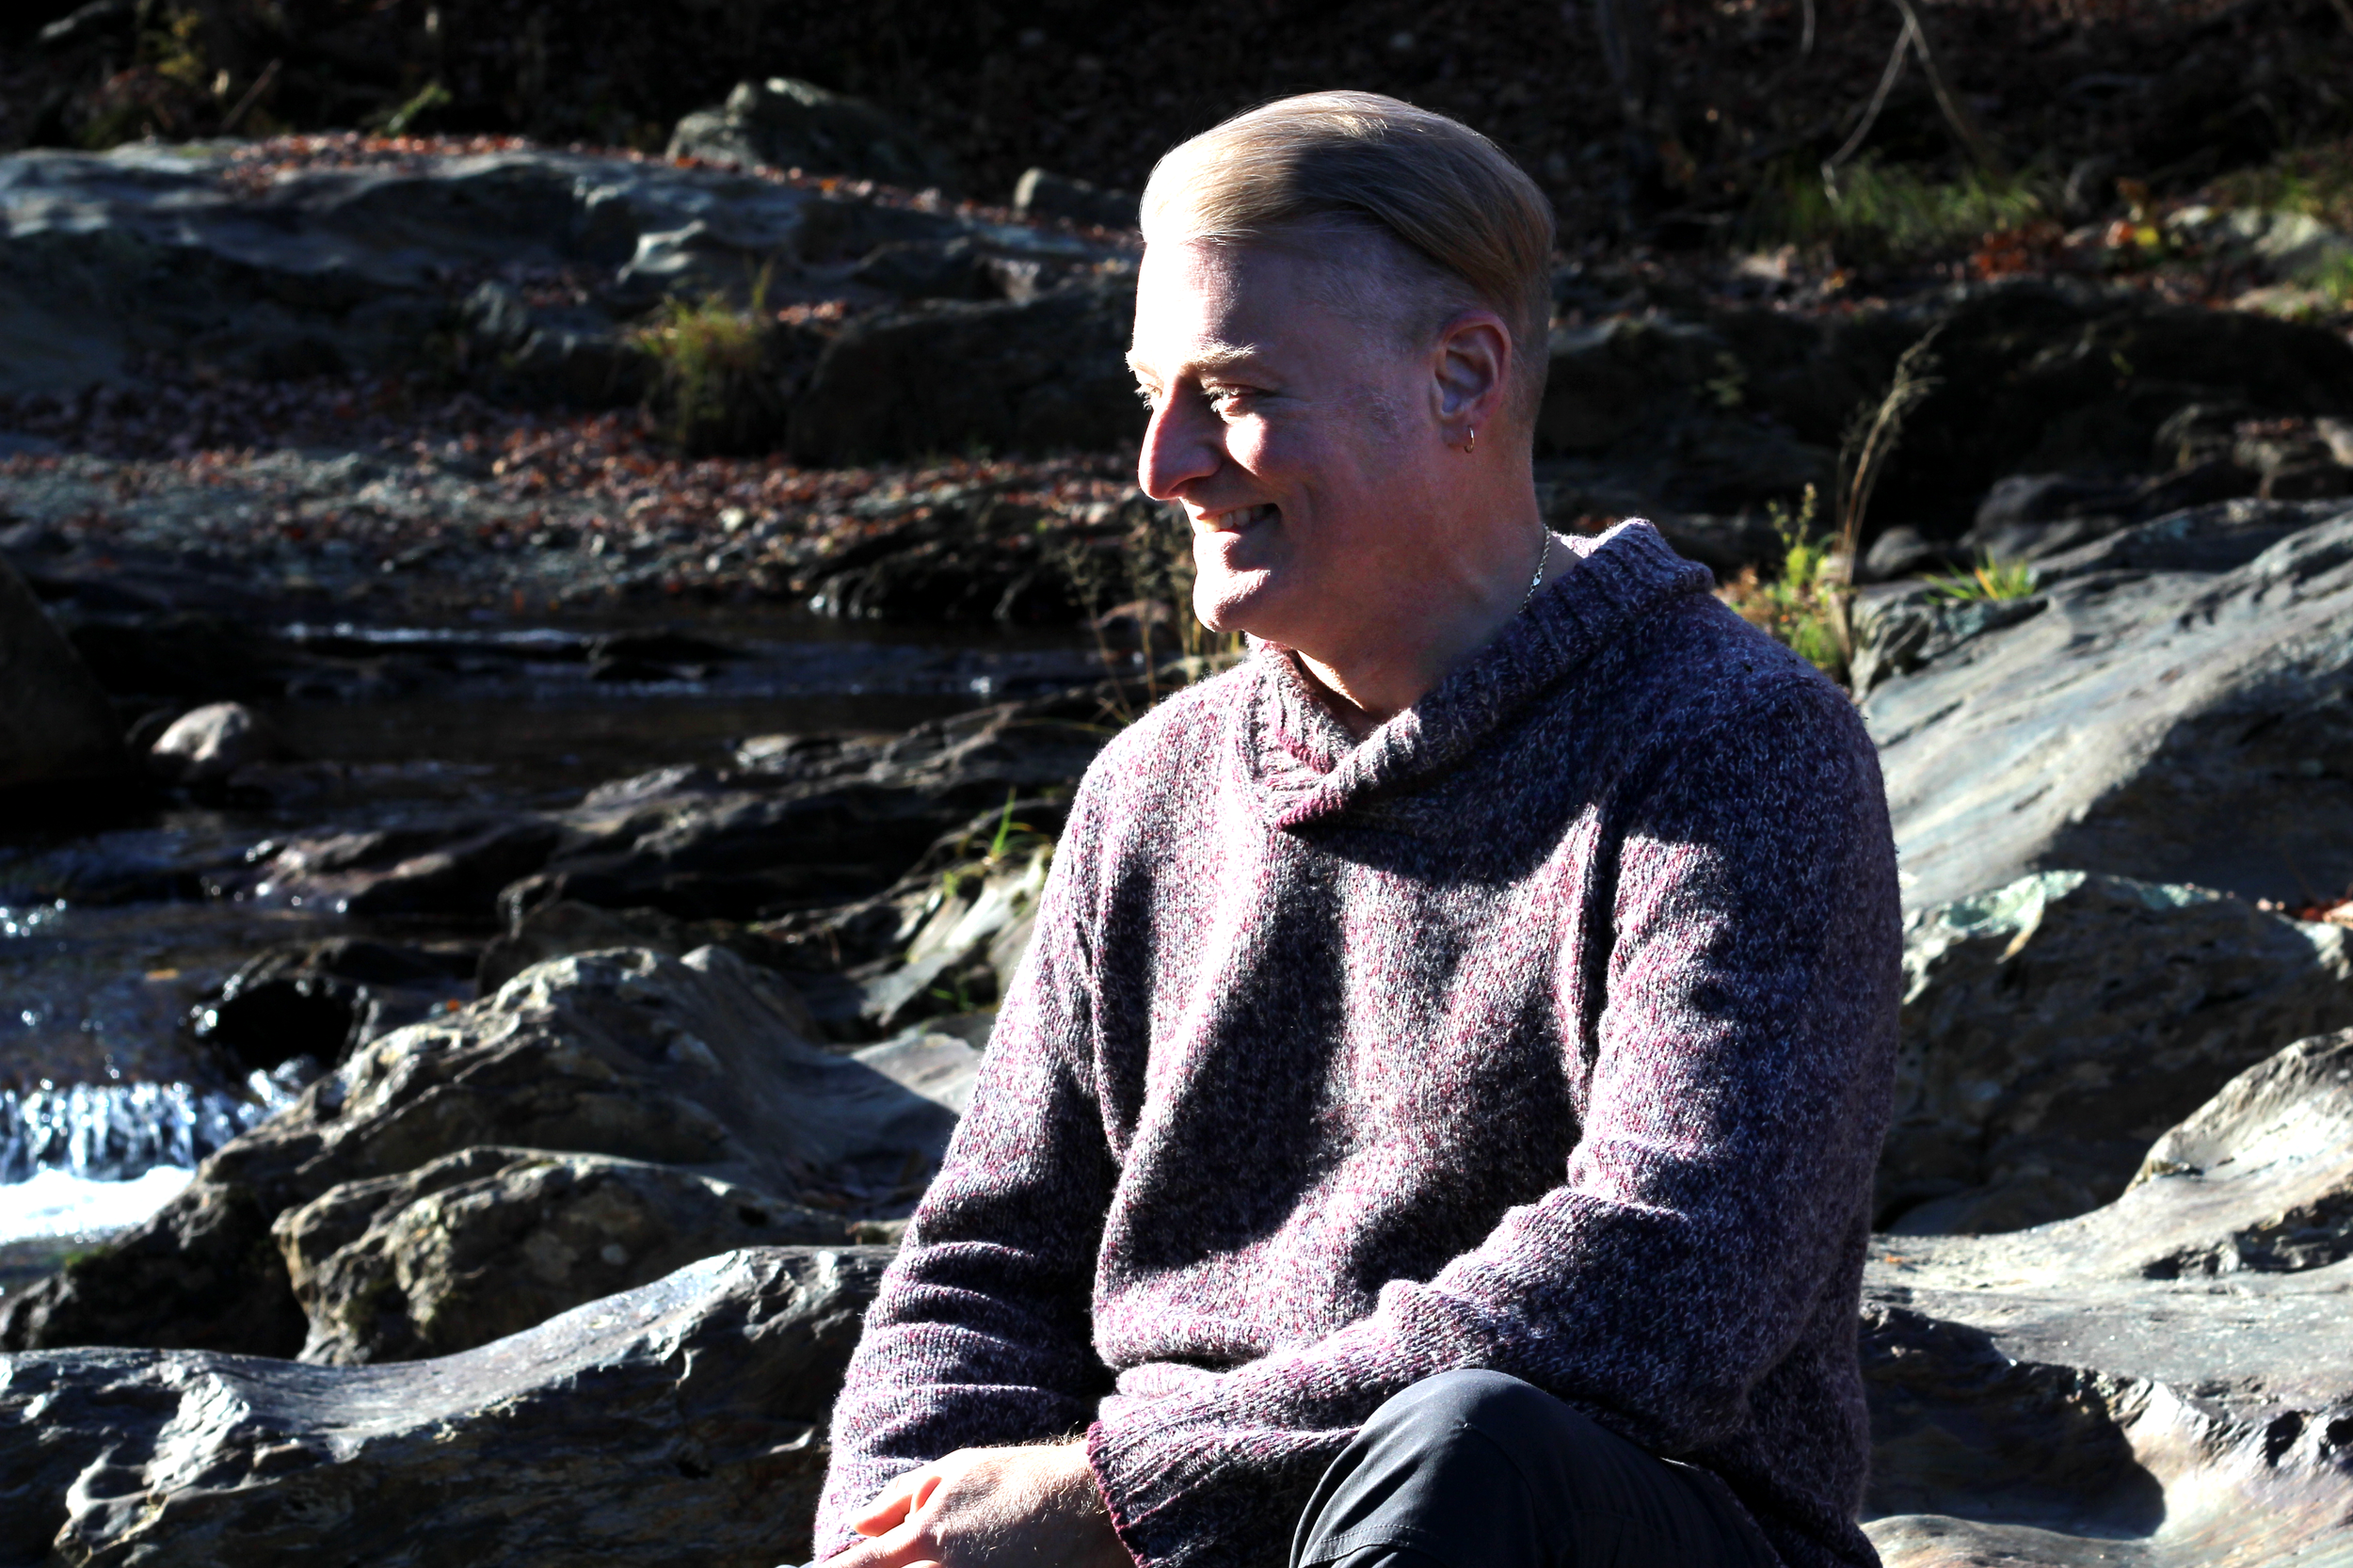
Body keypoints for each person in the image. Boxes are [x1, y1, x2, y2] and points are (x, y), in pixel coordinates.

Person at [808, 90, 1900, 1568]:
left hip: (1585, 1522)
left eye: (1233, 390)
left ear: (1463, 376)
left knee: (1467, 1449)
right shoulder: (1153, 787)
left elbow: (1667, 1280)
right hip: (1177, 1531)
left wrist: (1113, 1493)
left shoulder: (1732, 747)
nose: (1165, 466)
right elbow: (983, 1267)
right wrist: (907, 1520)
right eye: (1152, 394)